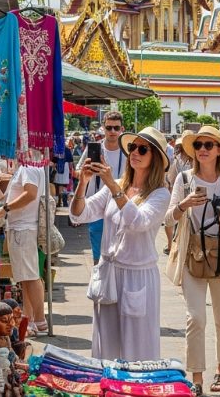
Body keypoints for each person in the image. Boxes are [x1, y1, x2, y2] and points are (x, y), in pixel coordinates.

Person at [70, 127, 170, 361]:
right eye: (132, 147)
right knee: (107, 346)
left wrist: (114, 187)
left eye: (142, 149)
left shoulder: (160, 194)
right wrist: (83, 183)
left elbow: (138, 222)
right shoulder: (115, 185)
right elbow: (78, 215)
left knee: (138, 347)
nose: (135, 152)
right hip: (109, 273)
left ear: (154, 157)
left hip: (138, 276)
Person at [164, 126, 220, 396]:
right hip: (193, 255)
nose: (202, 149)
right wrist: (184, 204)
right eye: (198, 145)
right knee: (195, 318)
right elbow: (167, 219)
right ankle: (196, 376)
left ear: (219, 150)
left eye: (208, 145)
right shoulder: (184, 179)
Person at [0, 162, 47, 337]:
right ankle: (30, 319)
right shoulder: (30, 166)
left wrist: (6, 208)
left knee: (31, 276)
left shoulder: (29, 167)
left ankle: (39, 319)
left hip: (23, 228)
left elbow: (30, 194)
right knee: (27, 277)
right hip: (23, 227)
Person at [76, 112, 125, 265]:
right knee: (98, 256)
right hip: (97, 207)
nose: (112, 131)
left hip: (120, 205)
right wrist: (86, 173)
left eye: (116, 128)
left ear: (122, 129)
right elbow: (78, 171)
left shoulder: (128, 150)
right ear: (103, 128)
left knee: (120, 254)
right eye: (109, 127)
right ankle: (98, 285)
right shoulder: (95, 148)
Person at [163, 130, 194, 256]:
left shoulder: (194, 158)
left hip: (190, 193)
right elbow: (171, 175)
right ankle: (171, 244)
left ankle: (178, 245)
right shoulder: (177, 157)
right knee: (171, 220)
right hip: (176, 191)